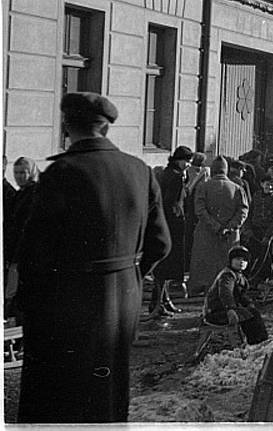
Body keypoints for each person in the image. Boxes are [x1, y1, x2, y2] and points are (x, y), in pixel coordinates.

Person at [16, 92, 170, 422]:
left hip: (67, 304)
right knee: (109, 395)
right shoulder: (140, 170)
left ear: (66, 127)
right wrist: (127, 277)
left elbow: (34, 253)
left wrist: (27, 303)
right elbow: (161, 244)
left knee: (60, 398)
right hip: (123, 305)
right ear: (106, 128)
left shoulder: (61, 172)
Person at [188, 156, 249, 296]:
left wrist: (215, 226)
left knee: (204, 265)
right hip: (229, 235)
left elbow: (200, 210)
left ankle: (200, 289)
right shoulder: (237, 188)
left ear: (213, 170)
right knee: (226, 263)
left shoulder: (203, 187)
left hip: (206, 232)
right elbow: (243, 211)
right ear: (226, 171)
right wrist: (230, 227)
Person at [150, 145, 193, 318]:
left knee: (163, 266)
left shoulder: (164, 174)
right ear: (178, 160)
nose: (188, 165)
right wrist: (176, 213)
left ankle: (163, 301)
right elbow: (170, 202)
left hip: (163, 224)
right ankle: (158, 303)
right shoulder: (176, 178)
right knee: (167, 266)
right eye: (187, 161)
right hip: (173, 226)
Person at [203, 245, 268, 344]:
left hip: (224, 309)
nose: (241, 262)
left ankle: (259, 340)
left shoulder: (238, 275)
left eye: (244, 260)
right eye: (238, 259)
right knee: (248, 315)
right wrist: (230, 308)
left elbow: (241, 295)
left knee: (252, 312)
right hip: (215, 312)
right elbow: (225, 293)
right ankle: (256, 342)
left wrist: (248, 303)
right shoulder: (227, 275)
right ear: (231, 261)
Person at [5, 157, 40, 321]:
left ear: (31, 172)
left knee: (13, 294)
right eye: (16, 172)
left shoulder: (33, 193)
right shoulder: (21, 194)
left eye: (23, 172)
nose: (19, 176)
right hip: (15, 253)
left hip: (21, 255)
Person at [241, 173, 273, 284]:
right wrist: (248, 230)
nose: (269, 187)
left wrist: (268, 236)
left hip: (269, 235)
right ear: (261, 184)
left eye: (272, 185)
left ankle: (266, 283)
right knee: (252, 258)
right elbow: (249, 215)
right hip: (255, 232)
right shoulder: (256, 197)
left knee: (268, 261)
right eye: (267, 184)